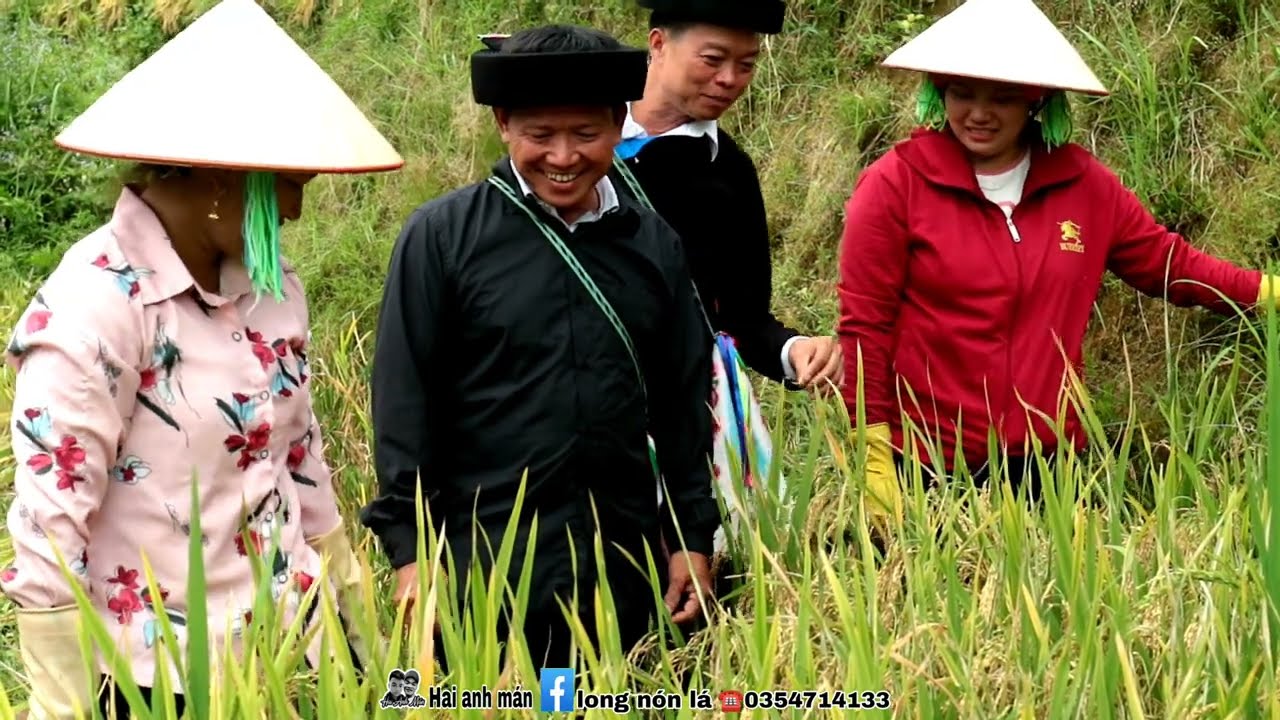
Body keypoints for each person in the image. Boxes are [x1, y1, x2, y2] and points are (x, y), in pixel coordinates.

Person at [0, 1, 403, 717]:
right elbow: (49, 532)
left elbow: (299, 458)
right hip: (158, 680)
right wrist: (61, 705)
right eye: (290, 186)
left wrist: (356, 619)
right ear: (224, 179)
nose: (294, 214)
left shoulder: (273, 295)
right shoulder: (94, 309)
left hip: (297, 654)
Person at [836, 0, 1278, 533]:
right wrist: (874, 452)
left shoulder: (1084, 187)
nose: (978, 112)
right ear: (938, 90)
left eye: (1003, 97)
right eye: (961, 92)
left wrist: (1264, 291)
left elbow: (1168, 263)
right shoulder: (895, 185)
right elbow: (865, 328)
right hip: (929, 467)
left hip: (1048, 470)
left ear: (1036, 101)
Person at [358, 24, 719, 670]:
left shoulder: (653, 245)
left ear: (618, 124)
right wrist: (410, 556)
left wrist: (692, 534)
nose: (562, 156)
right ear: (502, 124)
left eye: (585, 135)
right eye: (539, 135)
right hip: (489, 577)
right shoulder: (442, 240)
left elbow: (683, 401)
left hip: (622, 575)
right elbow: (403, 406)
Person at [613, 0, 844, 393]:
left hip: (668, 407)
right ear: (658, 44)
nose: (730, 79)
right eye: (712, 59)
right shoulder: (578, 134)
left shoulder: (729, 174)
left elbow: (744, 320)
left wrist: (795, 351)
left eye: (747, 65)